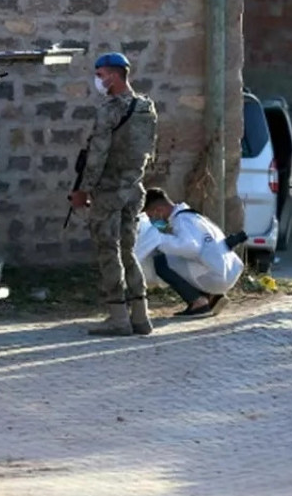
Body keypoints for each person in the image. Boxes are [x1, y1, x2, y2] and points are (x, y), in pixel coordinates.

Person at [70, 52, 159, 335]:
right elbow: (149, 152)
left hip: (109, 191)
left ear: (114, 75)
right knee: (128, 251)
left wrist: (83, 191)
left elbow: (97, 155)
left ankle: (118, 317)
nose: (98, 80)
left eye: (100, 75)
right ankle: (141, 316)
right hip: (134, 189)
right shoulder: (146, 107)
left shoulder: (109, 110)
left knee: (109, 252)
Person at [141, 188, 244, 317]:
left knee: (161, 262)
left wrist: (158, 240)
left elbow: (190, 247)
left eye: (150, 216)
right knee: (179, 260)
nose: (151, 220)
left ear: (159, 210)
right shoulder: (193, 216)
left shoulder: (182, 220)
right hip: (229, 271)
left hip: (215, 277)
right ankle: (212, 296)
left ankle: (198, 302)